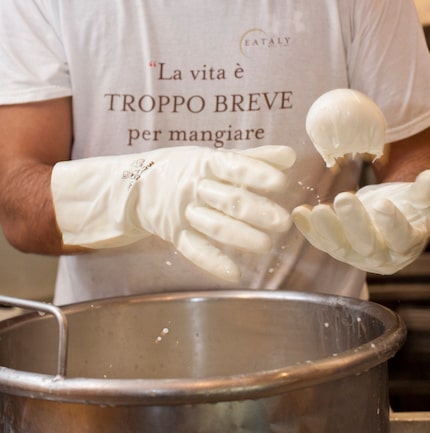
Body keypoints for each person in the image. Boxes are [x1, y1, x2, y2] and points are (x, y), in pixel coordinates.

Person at [0, 0, 429, 306]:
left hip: (317, 367)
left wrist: (406, 204)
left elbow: (414, 148)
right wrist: (133, 192)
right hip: (105, 363)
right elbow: (17, 202)